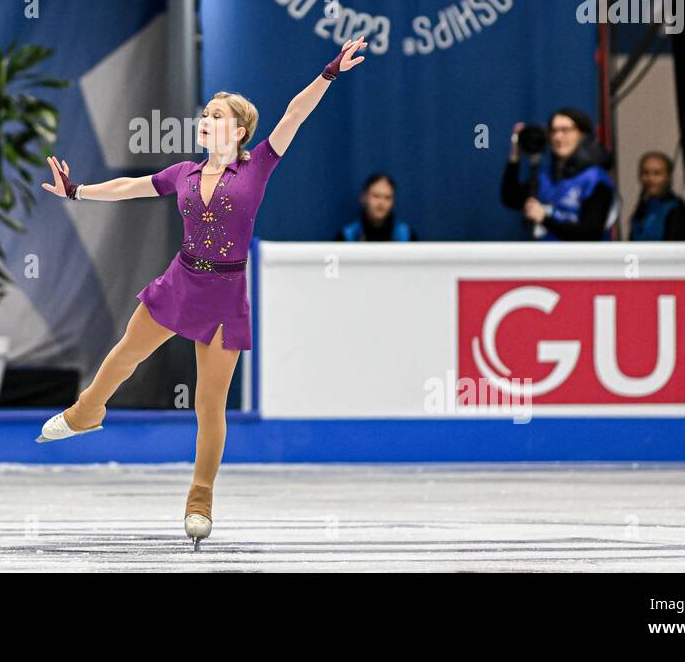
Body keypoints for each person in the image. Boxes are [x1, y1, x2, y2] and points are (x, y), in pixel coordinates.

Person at [36, 37, 368, 548]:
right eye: (205, 114)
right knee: (126, 354)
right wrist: (78, 191)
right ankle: (86, 412)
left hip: (225, 292)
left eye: (215, 115)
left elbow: (293, 115)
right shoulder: (183, 174)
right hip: (182, 280)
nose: (205, 120)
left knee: (208, 403)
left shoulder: (258, 163)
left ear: (237, 129)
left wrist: (328, 73)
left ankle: (200, 500)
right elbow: (130, 187)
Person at [501, 107, 615, 240]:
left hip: (580, 258)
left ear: (582, 134)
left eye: (565, 130)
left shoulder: (594, 179)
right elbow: (510, 198)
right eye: (553, 131)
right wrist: (515, 156)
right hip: (545, 257)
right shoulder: (545, 177)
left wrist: (544, 218)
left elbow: (591, 234)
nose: (558, 137)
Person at [629, 150, 685, 240]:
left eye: (657, 173)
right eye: (645, 173)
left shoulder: (677, 210)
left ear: (668, 177)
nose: (650, 179)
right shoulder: (642, 208)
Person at [336, 173, 416, 240]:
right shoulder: (347, 236)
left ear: (393, 202)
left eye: (387, 197)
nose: (381, 202)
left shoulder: (407, 236)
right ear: (363, 198)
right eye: (376, 196)